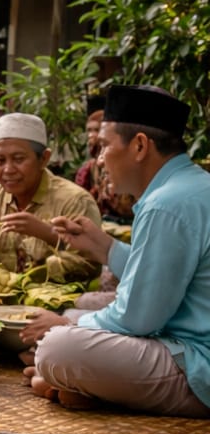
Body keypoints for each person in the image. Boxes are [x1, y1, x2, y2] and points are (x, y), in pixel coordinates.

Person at [21, 85, 210, 416]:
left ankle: (89, 386)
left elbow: (139, 318)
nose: (100, 159)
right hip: (185, 339)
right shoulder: (190, 187)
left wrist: (66, 322)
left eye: (105, 146)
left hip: (197, 364)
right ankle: (89, 388)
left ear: (139, 145)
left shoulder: (166, 203)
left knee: (55, 348)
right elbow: (164, 280)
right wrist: (104, 246)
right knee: (88, 302)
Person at [0, 113, 102, 281]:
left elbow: (91, 262)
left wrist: (47, 234)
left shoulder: (75, 200)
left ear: (44, 159)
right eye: (0, 160)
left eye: (18, 159)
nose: (8, 169)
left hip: (56, 303)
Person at [75, 94, 135, 223]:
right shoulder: (88, 170)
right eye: (89, 130)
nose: (91, 135)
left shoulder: (125, 164)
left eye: (96, 130)